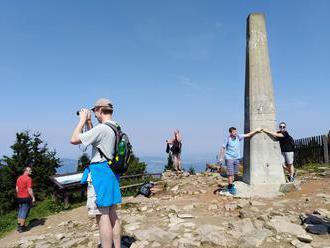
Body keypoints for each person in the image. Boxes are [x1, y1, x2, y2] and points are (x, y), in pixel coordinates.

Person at [70, 98, 121, 248]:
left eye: (94, 111)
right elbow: (96, 140)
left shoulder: (102, 129)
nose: (94, 113)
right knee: (112, 212)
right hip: (111, 172)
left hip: (100, 173)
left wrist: (81, 120)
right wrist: (89, 123)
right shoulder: (115, 127)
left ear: (99, 110)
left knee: (102, 214)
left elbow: (73, 139)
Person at [219, 127, 261, 195]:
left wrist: (256, 131)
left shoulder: (238, 137)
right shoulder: (227, 139)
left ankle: (231, 184)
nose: (235, 133)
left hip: (237, 158)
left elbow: (248, 135)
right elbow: (223, 147)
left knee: (235, 172)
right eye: (233, 132)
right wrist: (221, 157)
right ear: (230, 133)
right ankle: (230, 188)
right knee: (230, 174)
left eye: (235, 132)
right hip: (229, 158)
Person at [16, 166, 35, 233]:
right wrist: (33, 197)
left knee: (20, 211)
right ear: (25, 171)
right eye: (30, 170)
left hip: (19, 197)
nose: (31, 171)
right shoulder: (28, 178)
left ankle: (18, 226)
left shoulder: (19, 178)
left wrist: (19, 194)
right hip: (26, 197)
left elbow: (17, 188)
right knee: (24, 211)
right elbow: (29, 189)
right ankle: (22, 227)